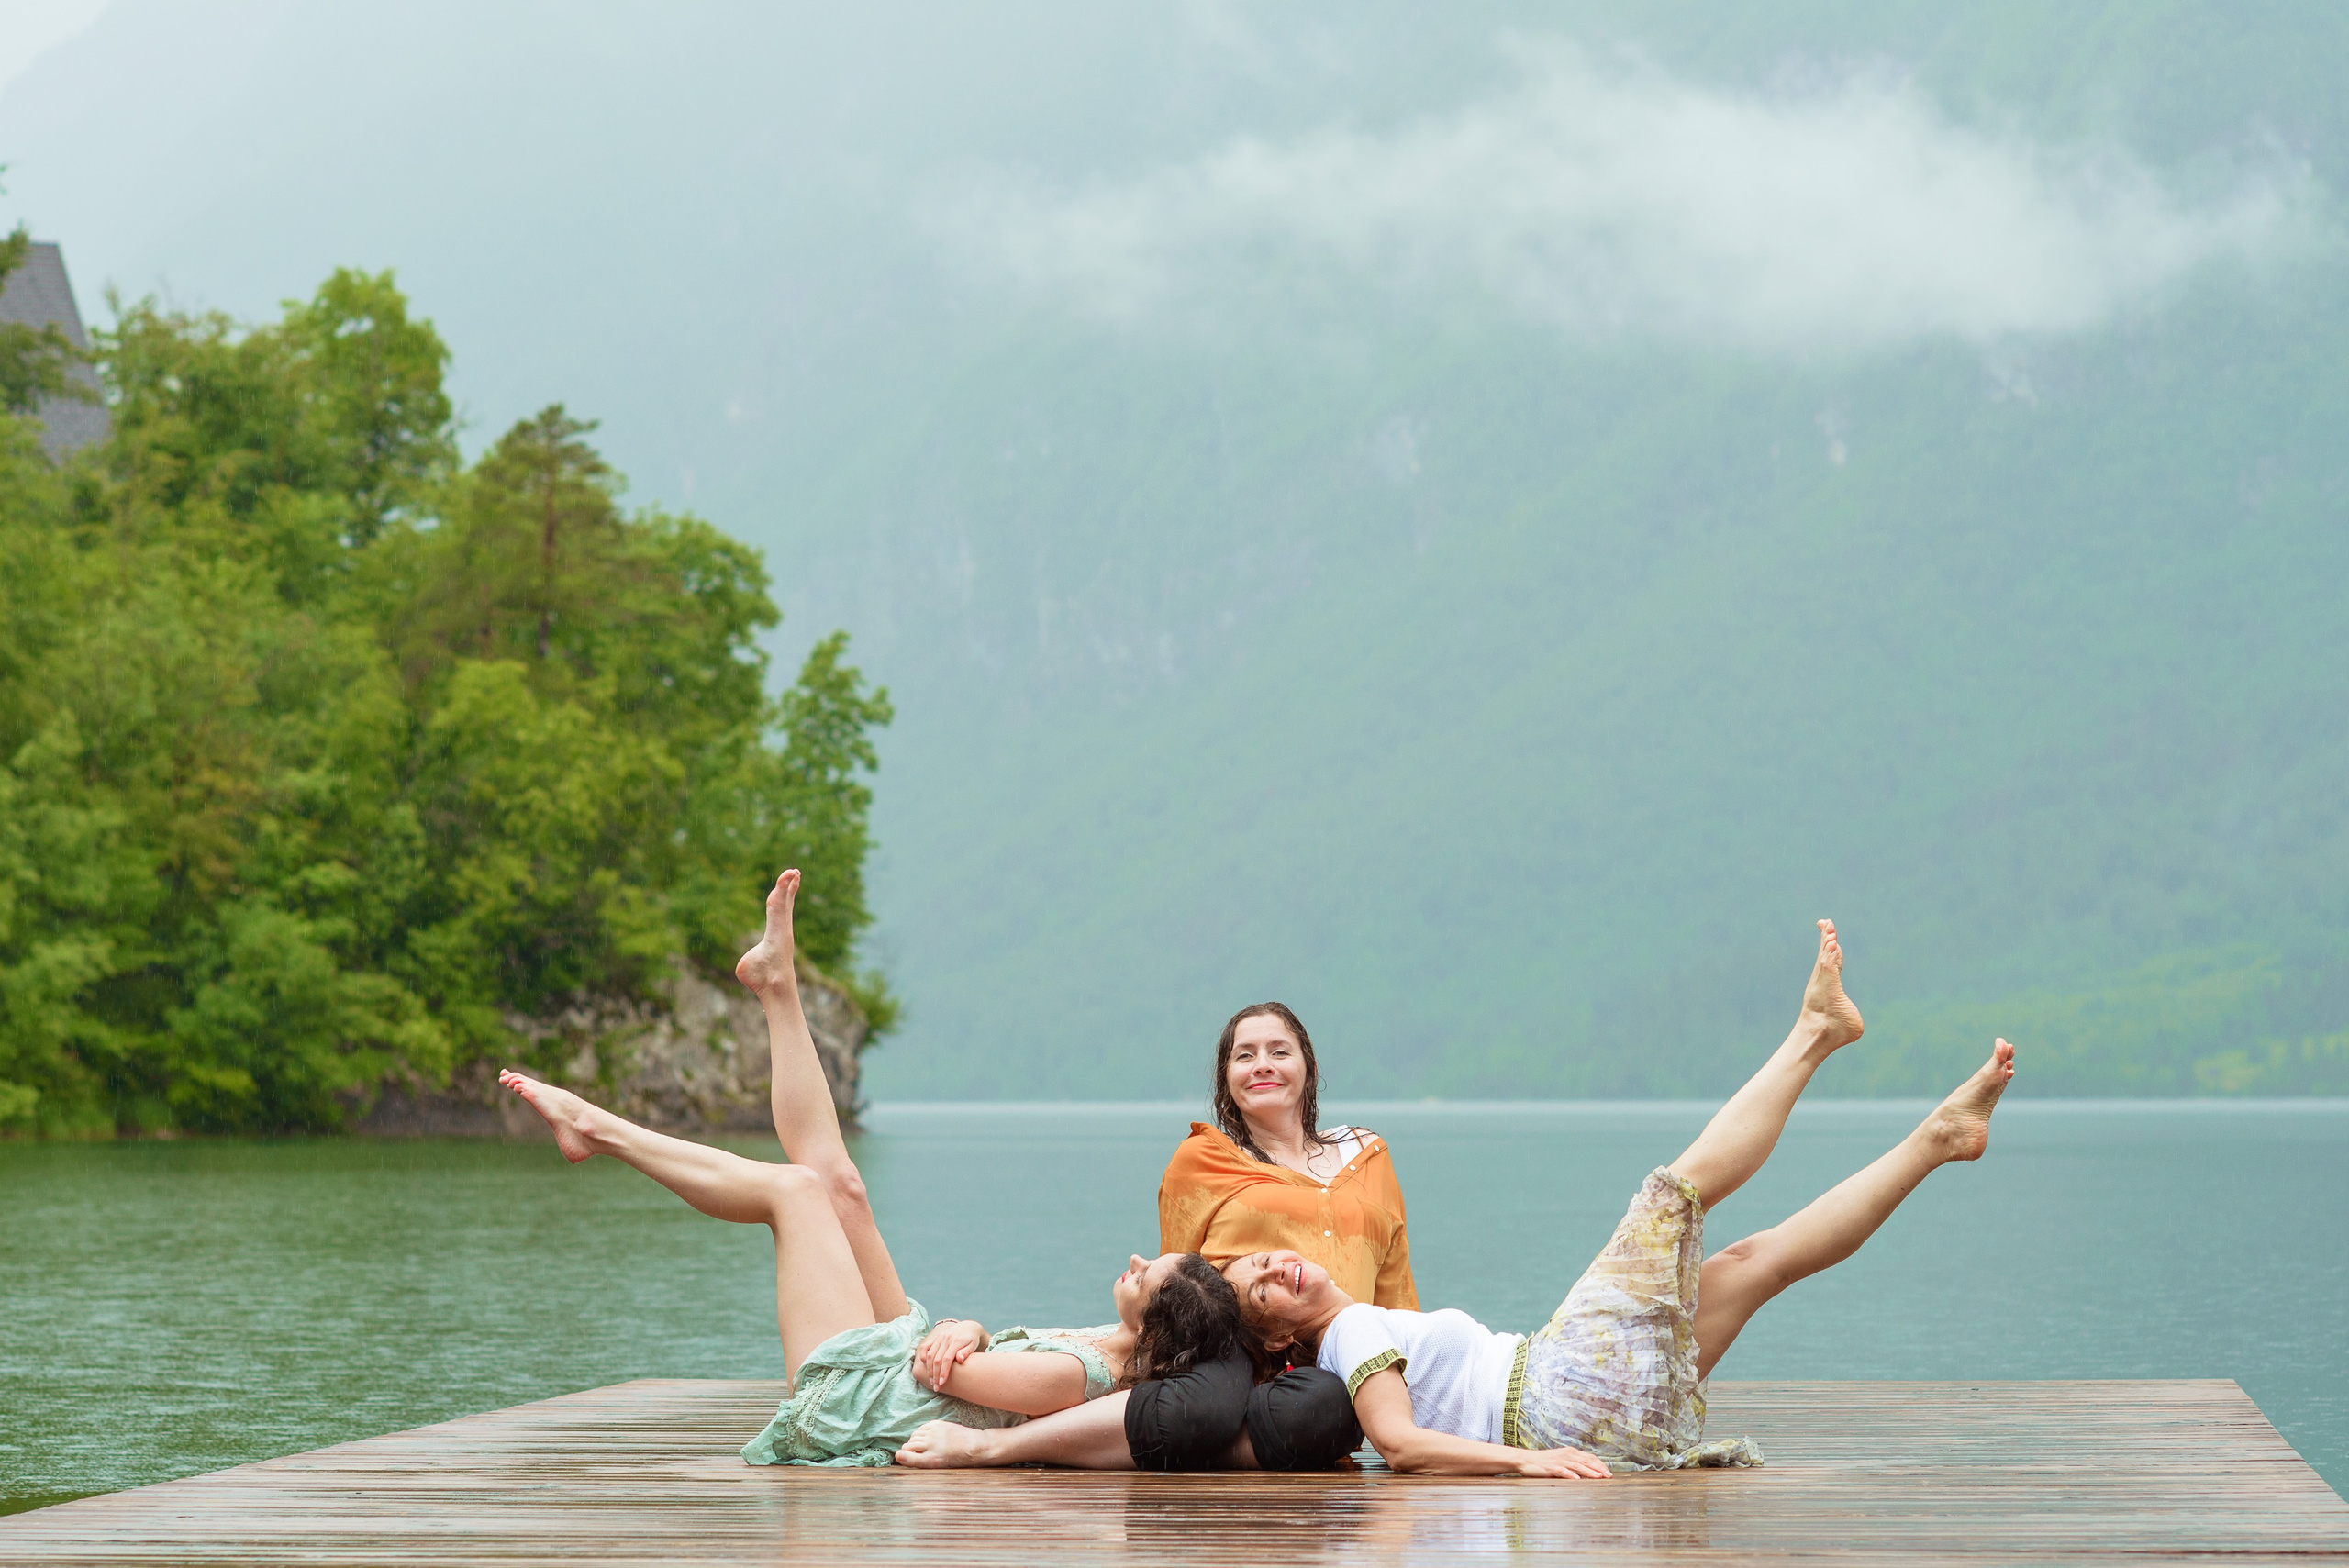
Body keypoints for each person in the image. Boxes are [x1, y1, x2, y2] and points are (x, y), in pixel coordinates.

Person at [1222, 920, 2019, 1479]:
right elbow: (1399, 1445)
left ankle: (1939, 1138)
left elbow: (1399, 1426)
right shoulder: (1350, 1333)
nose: (1277, 1271)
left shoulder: (1362, 1326)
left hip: (1590, 1412)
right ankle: (1814, 1032)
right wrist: (1529, 1461)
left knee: (1756, 1264)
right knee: (1672, 1194)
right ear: (1284, 1342)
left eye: (1265, 1262)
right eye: (1263, 1291)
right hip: (1558, 1391)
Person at [498, 869, 1241, 1467]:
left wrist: (963, 1336)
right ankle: (777, 986)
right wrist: (969, 1327)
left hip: (855, 1402)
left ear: (1154, 1329)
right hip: (901, 1373)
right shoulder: (1103, 1345)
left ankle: (594, 1127)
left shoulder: (1080, 1374)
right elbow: (957, 1357)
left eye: (1148, 1275)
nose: (1136, 1259)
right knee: (842, 1187)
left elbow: (933, 1371)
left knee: (794, 1192)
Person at [1158, 1002, 1418, 1309]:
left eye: (1279, 1052)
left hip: (1352, 1353)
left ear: (1310, 1070)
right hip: (1241, 1356)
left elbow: (1397, 1299)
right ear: (1226, 1079)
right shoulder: (1202, 1159)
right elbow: (1170, 1288)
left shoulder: (1366, 1155)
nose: (1263, 1065)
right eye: (1245, 1056)